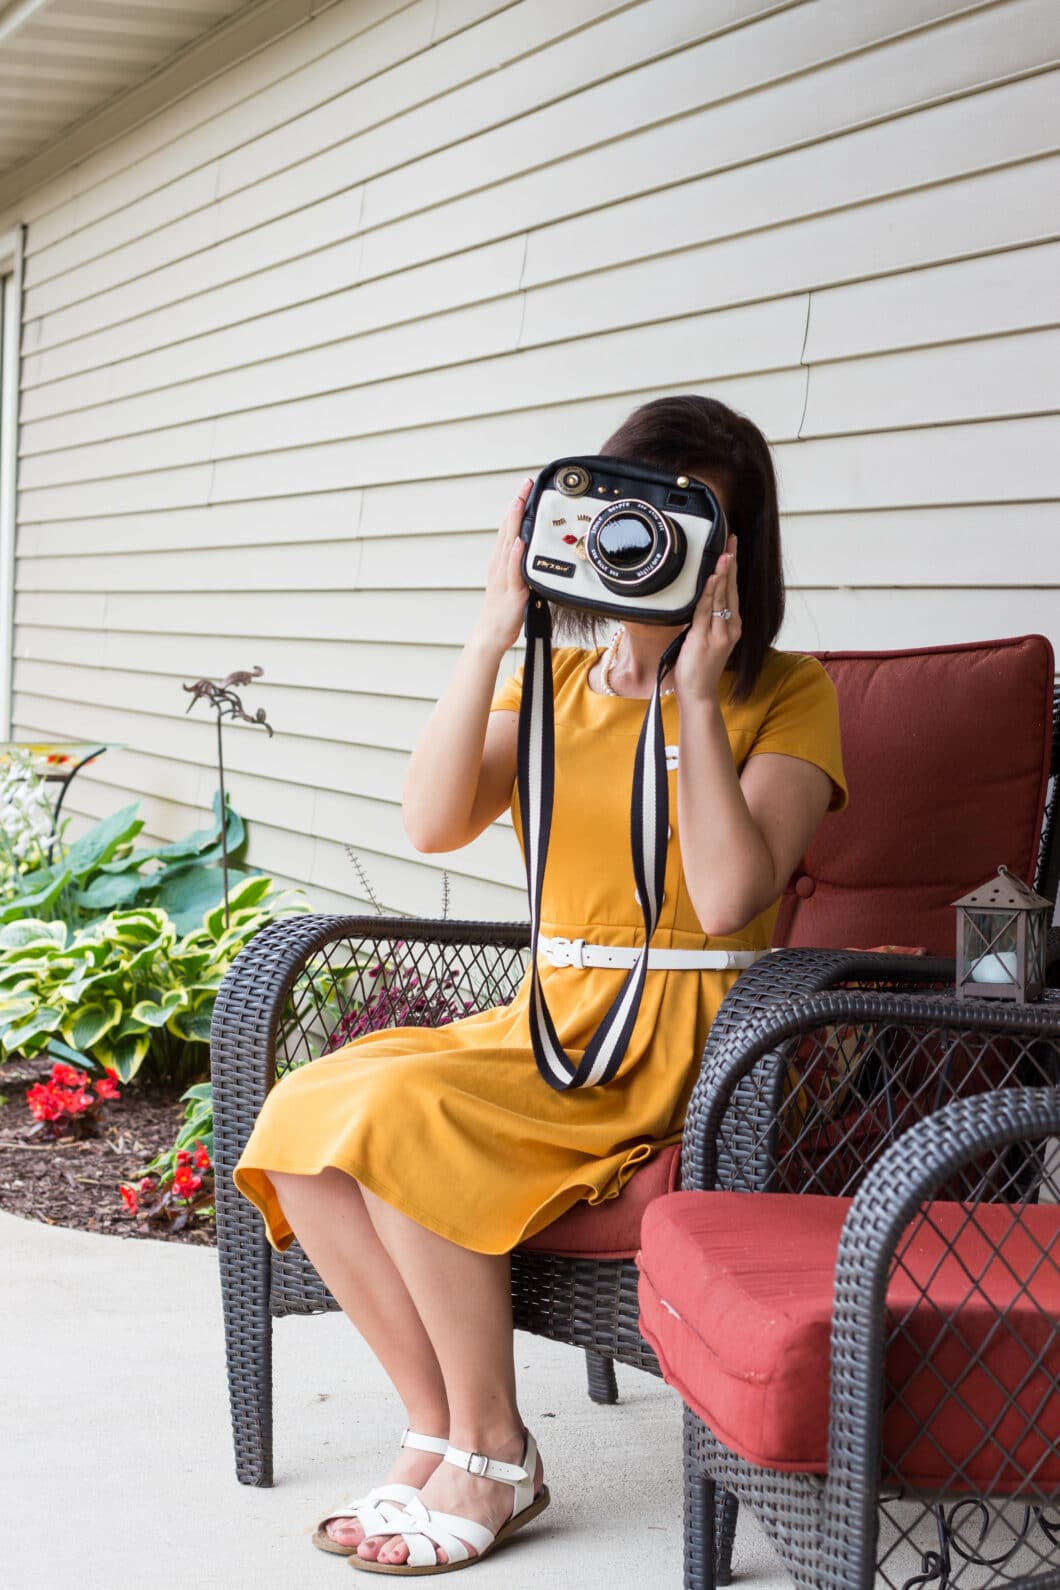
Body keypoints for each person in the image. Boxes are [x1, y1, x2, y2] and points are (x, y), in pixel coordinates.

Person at [231, 393, 848, 1576]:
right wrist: (491, 627)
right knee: (309, 1109)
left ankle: (498, 1452)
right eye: (616, 513)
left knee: (411, 1116)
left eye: (676, 523)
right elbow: (430, 821)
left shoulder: (788, 692)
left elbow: (728, 902)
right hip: (550, 1023)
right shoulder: (552, 687)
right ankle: (447, 1426)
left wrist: (697, 696)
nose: (634, 544)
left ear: (734, 550)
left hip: (692, 1043)